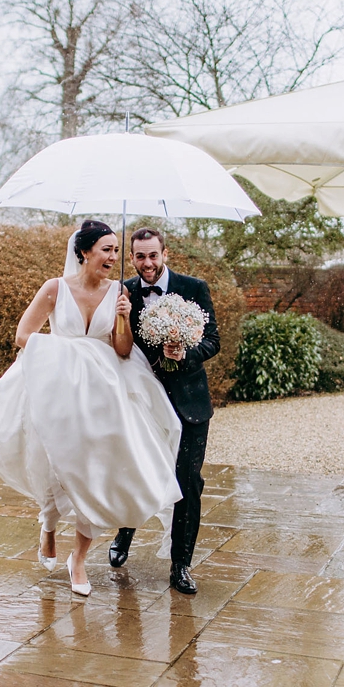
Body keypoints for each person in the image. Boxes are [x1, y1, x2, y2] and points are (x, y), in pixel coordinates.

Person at [0, 220, 183, 597]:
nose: (114, 257)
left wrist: (123, 315)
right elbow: (23, 335)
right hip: (60, 388)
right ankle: (49, 522)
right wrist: (71, 352)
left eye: (116, 250)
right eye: (107, 249)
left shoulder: (119, 291)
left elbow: (122, 350)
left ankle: (78, 559)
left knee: (96, 469)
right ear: (85, 252)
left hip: (106, 393)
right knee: (57, 463)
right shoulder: (55, 289)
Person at [109, 227, 219, 595]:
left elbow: (213, 340)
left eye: (153, 255)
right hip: (144, 400)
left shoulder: (194, 288)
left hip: (190, 402)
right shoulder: (123, 292)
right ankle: (125, 534)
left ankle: (181, 566)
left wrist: (185, 353)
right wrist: (122, 316)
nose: (147, 263)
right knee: (138, 472)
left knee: (188, 483)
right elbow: (120, 348)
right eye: (140, 256)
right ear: (132, 258)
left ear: (165, 253)